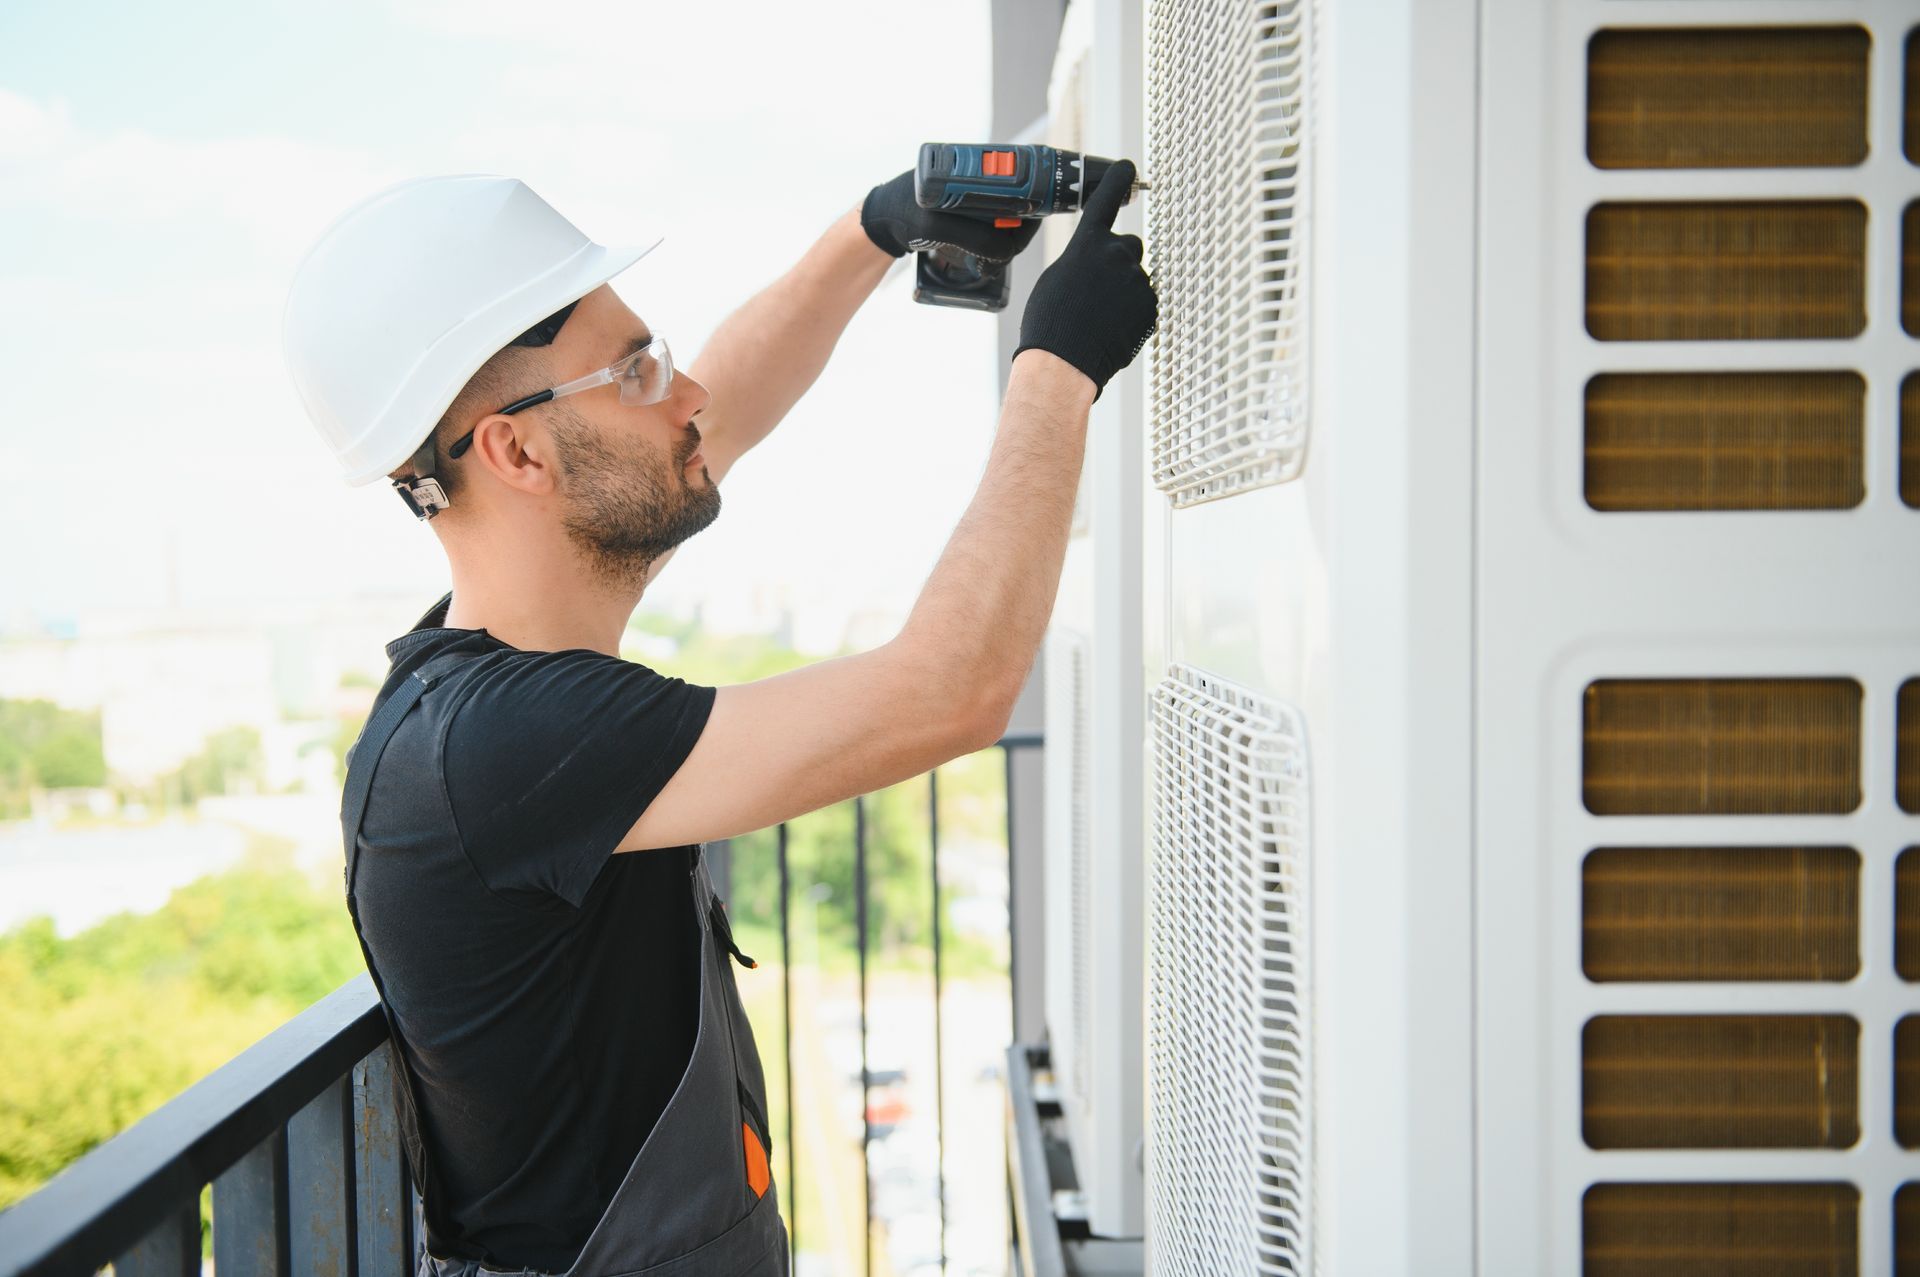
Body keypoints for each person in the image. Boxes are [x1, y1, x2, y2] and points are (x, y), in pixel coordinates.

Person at [282, 161, 1156, 1277]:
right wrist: (1058, 371)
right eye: (640, 367)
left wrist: (873, 231)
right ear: (516, 451)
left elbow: (708, 418)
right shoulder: (507, 745)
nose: (687, 391)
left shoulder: (484, 684)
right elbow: (949, 687)